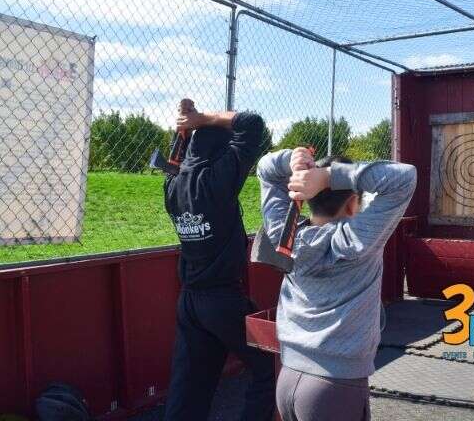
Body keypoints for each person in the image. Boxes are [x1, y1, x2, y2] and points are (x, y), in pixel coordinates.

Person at [256, 147, 417, 421]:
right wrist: (330, 177)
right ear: (353, 204)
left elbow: (266, 170)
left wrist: (291, 161)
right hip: (336, 388)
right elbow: (404, 177)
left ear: (308, 199)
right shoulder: (357, 240)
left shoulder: (286, 236)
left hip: (288, 378)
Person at [163, 101, 275, 421]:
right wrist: (200, 119)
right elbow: (252, 123)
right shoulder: (218, 181)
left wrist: (186, 127)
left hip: (189, 302)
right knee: (269, 367)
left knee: (189, 386)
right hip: (222, 301)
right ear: (220, 153)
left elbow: (176, 161)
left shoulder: (172, 185)